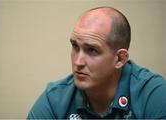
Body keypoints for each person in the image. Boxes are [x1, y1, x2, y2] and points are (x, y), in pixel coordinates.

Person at [27, 6, 166, 119]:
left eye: (92, 50)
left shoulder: (153, 94)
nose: (78, 61)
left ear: (120, 59)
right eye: (75, 46)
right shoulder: (55, 99)